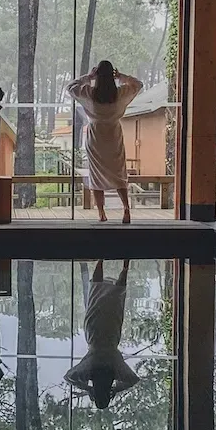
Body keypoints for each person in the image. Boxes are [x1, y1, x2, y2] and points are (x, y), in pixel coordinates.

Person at [65, 61, 144, 223]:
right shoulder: (121, 93)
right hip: (114, 134)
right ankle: (126, 209)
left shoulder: (89, 93)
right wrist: (122, 76)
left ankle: (101, 213)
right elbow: (138, 84)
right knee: (119, 173)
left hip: (96, 136)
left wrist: (88, 77)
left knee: (96, 175)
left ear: (98, 76)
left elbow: (71, 87)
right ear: (112, 76)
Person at [64, 260, 139, 409]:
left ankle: (125, 264)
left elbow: (133, 380)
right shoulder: (89, 371)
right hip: (94, 334)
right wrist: (88, 388)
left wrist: (116, 389)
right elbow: (68, 377)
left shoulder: (115, 370)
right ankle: (102, 258)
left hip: (111, 334)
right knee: (96, 294)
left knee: (116, 298)